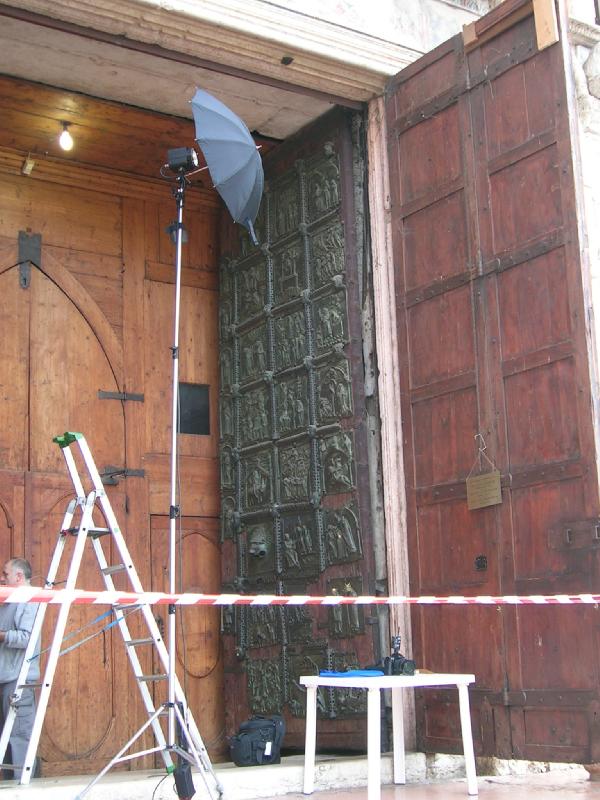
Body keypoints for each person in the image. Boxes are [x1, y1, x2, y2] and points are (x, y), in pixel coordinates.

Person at [0, 558, 41, 780]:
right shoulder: (9, 600)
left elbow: (27, 638)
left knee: (19, 736)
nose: (2, 578)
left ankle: (24, 787)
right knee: (5, 738)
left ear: (18, 576)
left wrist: (2, 636)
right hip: (5, 677)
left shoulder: (29, 599)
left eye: (5, 574)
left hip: (19, 678)